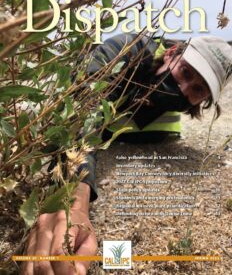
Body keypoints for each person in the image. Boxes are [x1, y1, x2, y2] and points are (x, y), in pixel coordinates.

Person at [21, 34, 232, 275]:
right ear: (172, 52)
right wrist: (74, 203)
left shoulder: (167, 126)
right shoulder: (124, 52)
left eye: (197, 89)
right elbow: (80, 118)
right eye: (185, 72)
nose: (182, 89)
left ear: (204, 100)